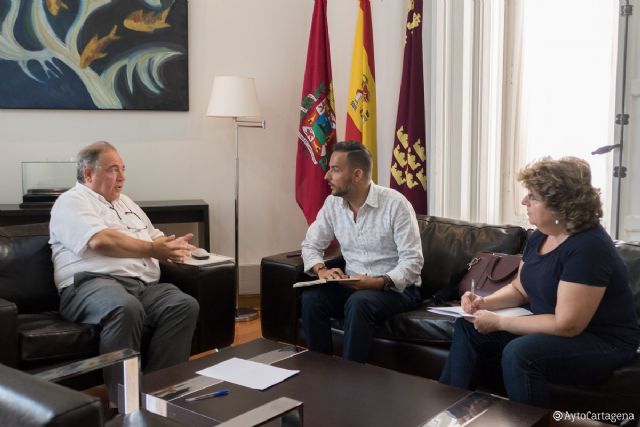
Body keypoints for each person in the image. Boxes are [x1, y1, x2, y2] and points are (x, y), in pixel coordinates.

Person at [439, 156, 640, 407]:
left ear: (560, 205)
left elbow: (568, 325)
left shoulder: (589, 247)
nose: (524, 201)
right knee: (469, 327)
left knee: (520, 354)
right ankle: (450, 412)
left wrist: (501, 321)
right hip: (555, 328)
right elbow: (519, 288)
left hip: (601, 341)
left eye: (532, 197)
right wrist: (484, 304)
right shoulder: (540, 236)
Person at [49, 141, 200, 401]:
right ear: (88, 174)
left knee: (183, 305)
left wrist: (176, 247)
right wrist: (154, 249)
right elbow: (100, 241)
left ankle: (159, 395)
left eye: (123, 169)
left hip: (142, 286)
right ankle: (125, 403)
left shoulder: (126, 203)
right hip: (89, 286)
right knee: (124, 307)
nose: (122, 177)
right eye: (113, 170)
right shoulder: (71, 201)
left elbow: (154, 236)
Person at [300, 141, 424, 362]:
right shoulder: (332, 204)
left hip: (396, 289)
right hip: (353, 284)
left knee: (360, 303)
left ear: (357, 175)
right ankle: (320, 371)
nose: (327, 176)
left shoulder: (396, 205)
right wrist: (321, 271)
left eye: (335, 170)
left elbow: (413, 262)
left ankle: (351, 379)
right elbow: (311, 245)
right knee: (312, 299)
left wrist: (377, 282)